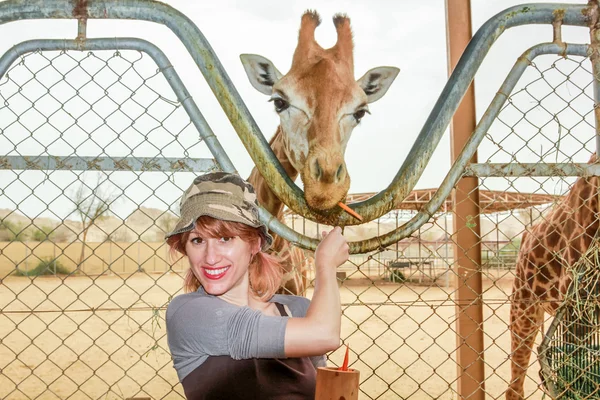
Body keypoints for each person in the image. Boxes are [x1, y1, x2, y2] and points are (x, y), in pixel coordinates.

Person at [165, 171, 349, 400]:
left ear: (254, 244)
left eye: (225, 238)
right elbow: (324, 334)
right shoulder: (190, 315)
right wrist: (326, 264)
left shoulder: (298, 310)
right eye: (197, 240)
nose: (210, 257)